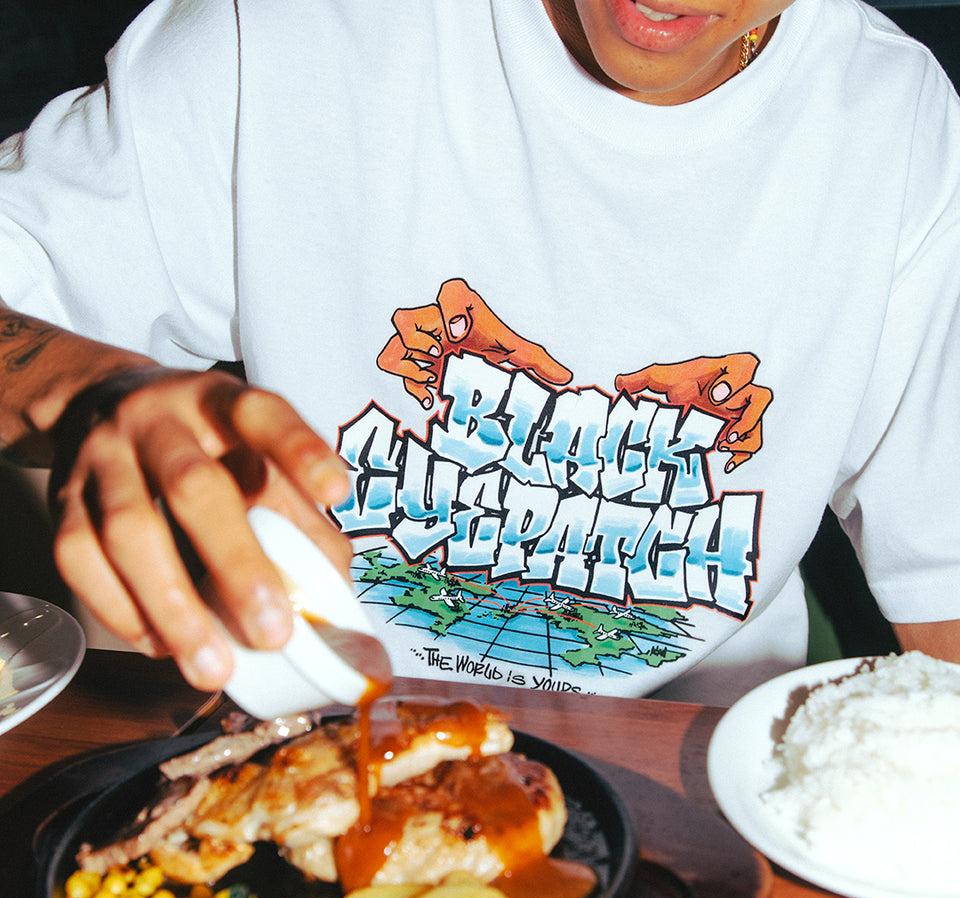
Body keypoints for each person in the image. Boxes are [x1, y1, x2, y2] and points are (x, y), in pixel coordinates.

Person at [1, 0, 959, 707]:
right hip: (293, 724)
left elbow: (943, 588)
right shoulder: (295, 30)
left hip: (694, 787)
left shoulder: (891, 121)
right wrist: (91, 385)